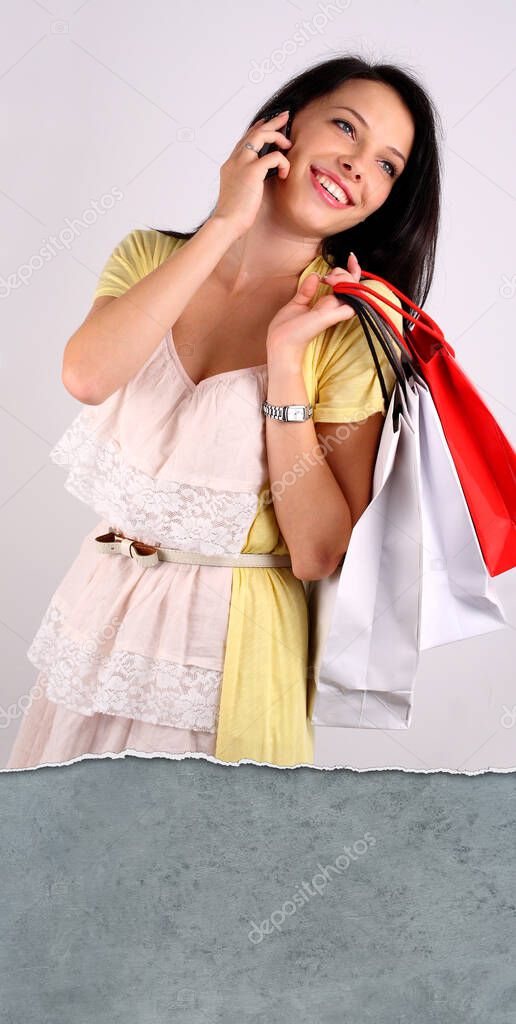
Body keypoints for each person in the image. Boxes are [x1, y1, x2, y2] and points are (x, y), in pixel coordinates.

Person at [6, 54, 442, 771]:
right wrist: (223, 221)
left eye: (389, 165)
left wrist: (287, 362)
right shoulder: (150, 254)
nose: (360, 166)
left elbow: (318, 552)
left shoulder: (352, 333)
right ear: (281, 127)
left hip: (229, 652)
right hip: (98, 618)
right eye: (345, 127)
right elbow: (86, 375)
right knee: (54, 870)